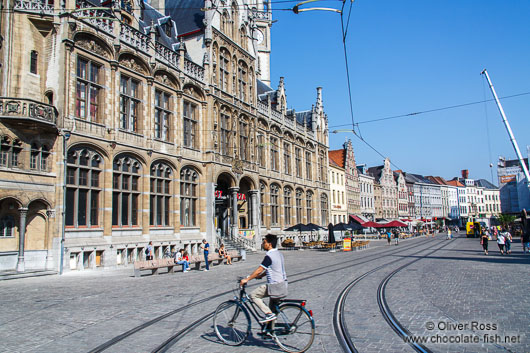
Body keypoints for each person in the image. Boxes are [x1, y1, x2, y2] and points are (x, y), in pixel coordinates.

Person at [240, 234, 287, 323]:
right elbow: (272, 268)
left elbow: (259, 269)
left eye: (264, 242)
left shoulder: (269, 256)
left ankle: (268, 314)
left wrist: (247, 279)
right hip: (283, 285)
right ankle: (270, 331)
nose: (262, 244)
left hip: (274, 287)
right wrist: (261, 276)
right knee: (272, 310)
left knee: (253, 295)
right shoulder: (279, 254)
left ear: (269, 244)